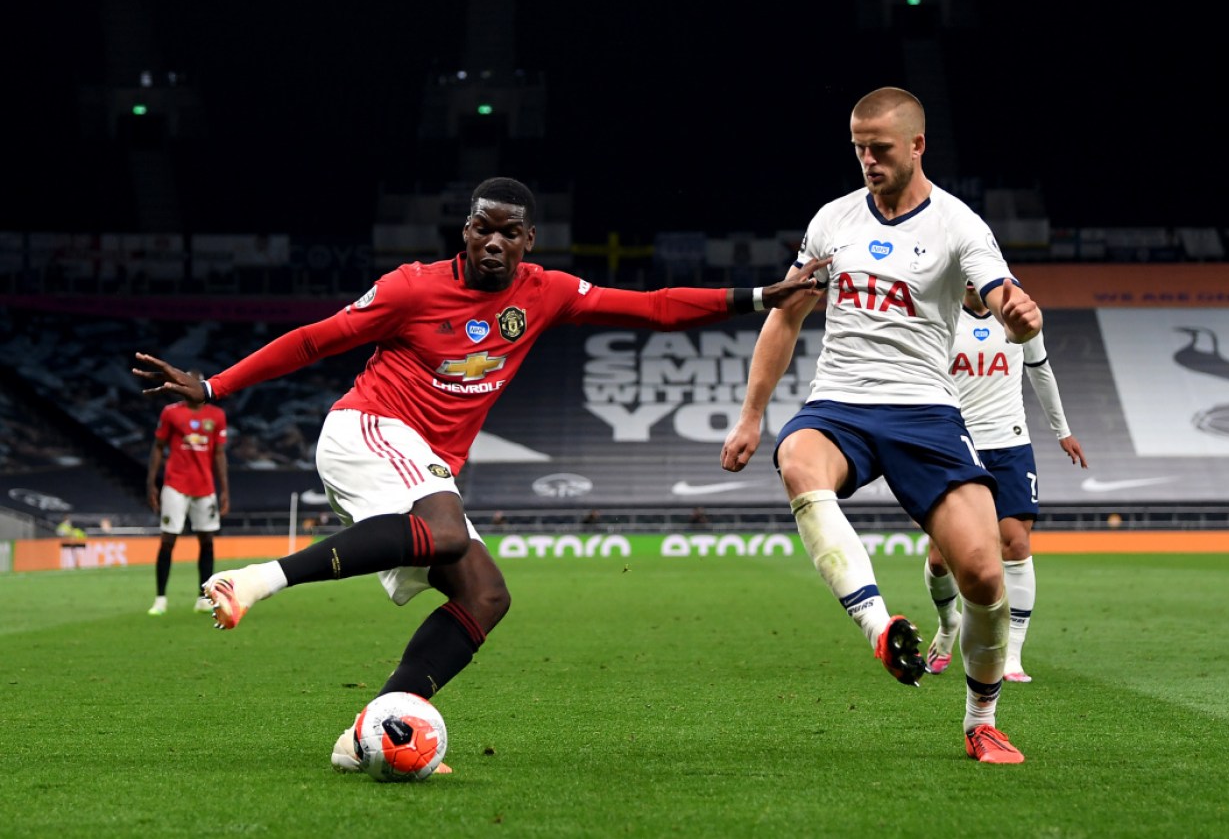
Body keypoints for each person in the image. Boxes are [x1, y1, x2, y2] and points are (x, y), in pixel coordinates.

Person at [132, 176, 825, 775]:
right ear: (464, 232)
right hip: (367, 430)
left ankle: (368, 729)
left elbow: (651, 306)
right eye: (482, 230)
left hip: (421, 464)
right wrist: (214, 386)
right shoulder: (411, 288)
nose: (493, 244)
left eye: (509, 234)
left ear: (529, 242)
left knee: (486, 595)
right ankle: (253, 579)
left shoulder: (545, 293)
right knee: (441, 532)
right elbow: (316, 338)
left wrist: (762, 294)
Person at [720, 87, 1042, 765]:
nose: (866, 159)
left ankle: (980, 720)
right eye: (857, 148)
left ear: (917, 145)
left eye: (880, 148)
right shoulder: (831, 222)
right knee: (798, 460)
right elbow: (785, 317)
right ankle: (876, 624)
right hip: (838, 402)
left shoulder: (958, 225)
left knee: (984, 575)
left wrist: (1013, 313)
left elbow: (994, 291)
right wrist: (752, 415)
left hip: (926, 411)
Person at [922, 282, 1088, 682]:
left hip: (1009, 442)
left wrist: (1061, 430)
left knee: (1015, 543)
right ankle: (948, 625)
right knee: (940, 558)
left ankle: (1012, 654)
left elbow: (1040, 369)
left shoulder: (1017, 310)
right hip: (955, 442)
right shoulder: (937, 312)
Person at [146, 370, 229, 616]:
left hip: (205, 488)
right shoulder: (171, 413)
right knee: (168, 539)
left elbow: (219, 454)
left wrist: (224, 489)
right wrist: (151, 482)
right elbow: (158, 447)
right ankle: (160, 598)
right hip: (175, 485)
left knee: (207, 541)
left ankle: (203, 597)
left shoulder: (217, 416)